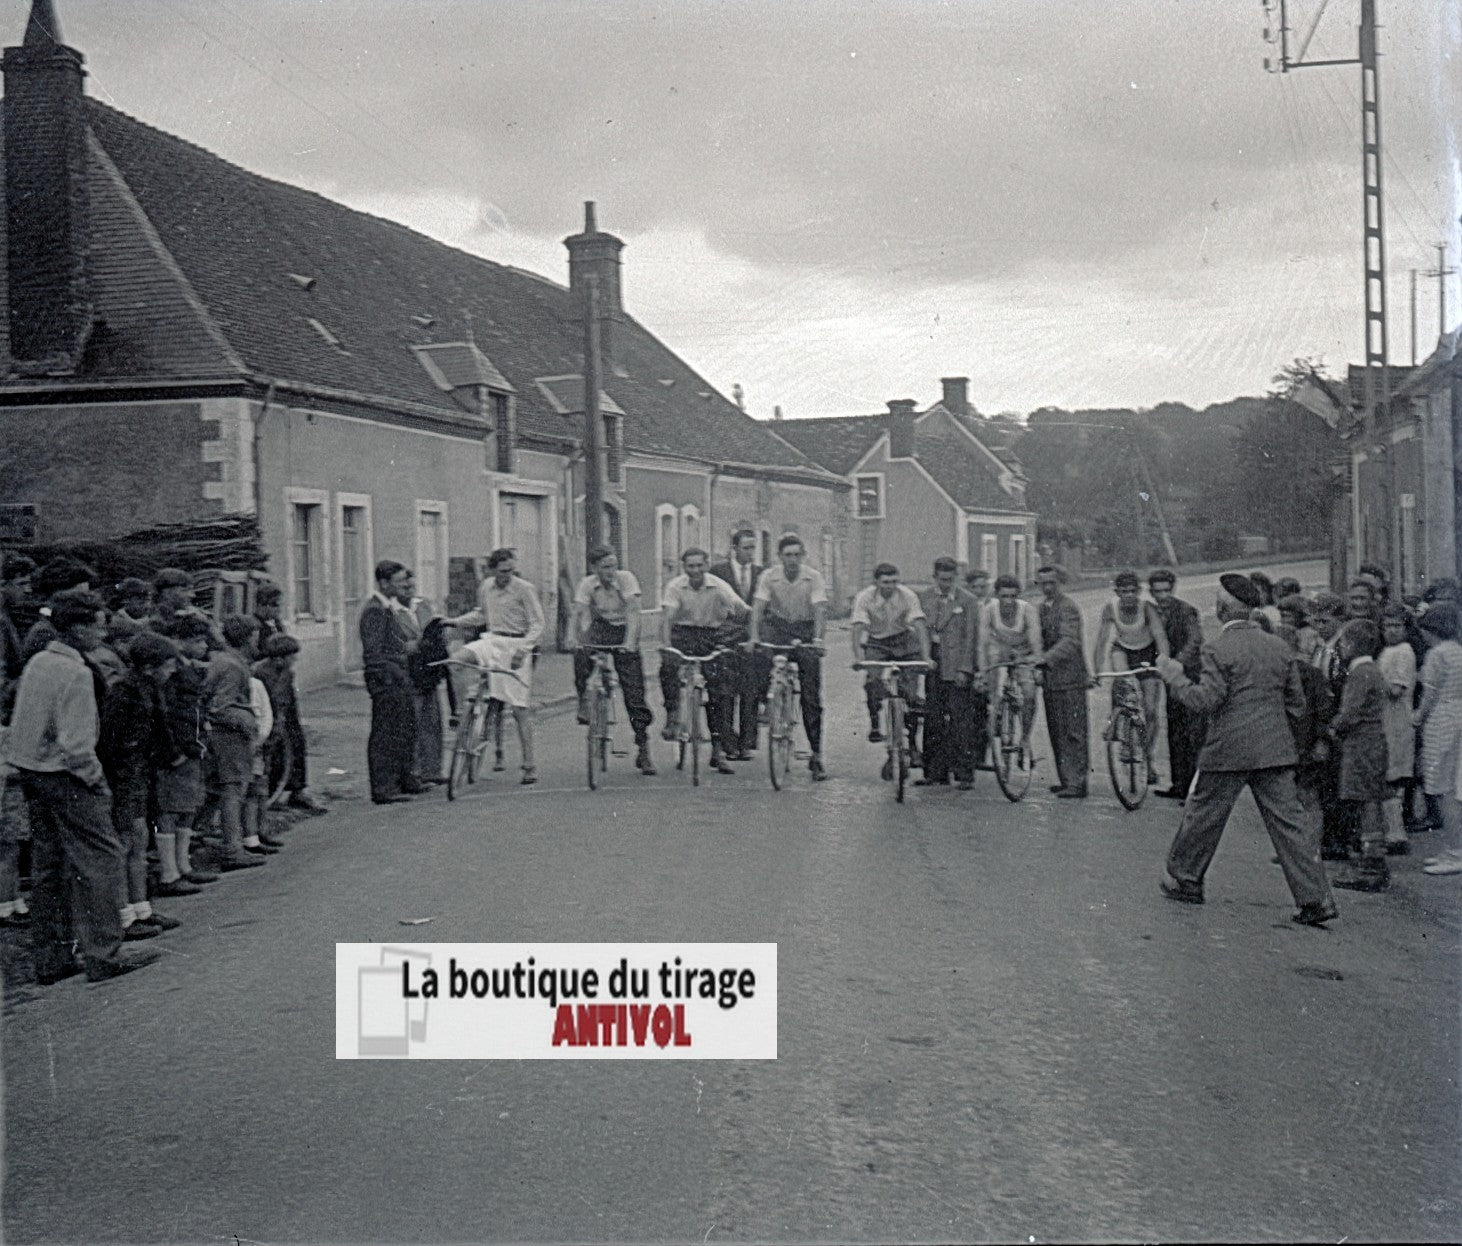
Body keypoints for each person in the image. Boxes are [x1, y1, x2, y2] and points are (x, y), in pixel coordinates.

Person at [1156, 573, 1337, 927]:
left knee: (1205, 816)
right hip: (1274, 750)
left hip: (1228, 750)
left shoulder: (1217, 649)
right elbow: (1296, 705)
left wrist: (1174, 676)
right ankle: (1316, 899)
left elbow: (1204, 700)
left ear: (1223, 609)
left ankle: (1186, 878)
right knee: (1291, 827)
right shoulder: (1279, 647)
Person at [8, 590, 160, 982]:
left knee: (50, 864)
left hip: (32, 772)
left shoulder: (39, 662)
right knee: (102, 859)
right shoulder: (75, 672)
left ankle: (51, 958)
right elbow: (76, 746)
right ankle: (104, 953)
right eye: (97, 625)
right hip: (67, 776)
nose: (103, 632)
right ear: (76, 629)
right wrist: (97, 781)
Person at [98, 630, 182, 938]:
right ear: (149, 666)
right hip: (122, 776)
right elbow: (108, 742)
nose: (172, 671)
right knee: (127, 841)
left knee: (139, 838)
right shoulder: (122, 693)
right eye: (168, 665)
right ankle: (124, 915)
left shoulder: (149, 688)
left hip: (139, 773)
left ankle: (141, 908)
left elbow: (160, 729)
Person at [447, 549, 546, 785]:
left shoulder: (524, 589)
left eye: (511, 570)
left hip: (516, 645)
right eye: (502, 571)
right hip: (491, 640)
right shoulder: (486, 587)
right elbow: (481, 615)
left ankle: (529, 765)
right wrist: (454, 621)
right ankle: (462, 712)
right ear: (492, 570)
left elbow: (537, 624)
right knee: (455, 661)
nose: (507, 575)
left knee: (520, 708)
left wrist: (524, 649)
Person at [749, 534, 830, 781]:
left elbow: (819, 611)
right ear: (780, 557)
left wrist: (817, 640)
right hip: (779, 627)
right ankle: (767, 701)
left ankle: (816, 755)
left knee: (810, 696)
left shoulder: (813, 577)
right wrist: (753, 636)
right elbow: (758, 609)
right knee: (760, 658)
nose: (793, 560)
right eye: (788, 555)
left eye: (797, 555)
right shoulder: (769, 576)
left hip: (805, 629)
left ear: (802, 555)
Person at [658, 548, 746, 776]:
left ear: (706, 565)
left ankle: (719, 751)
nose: (695, 571)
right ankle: (672, 715)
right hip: (682, 634)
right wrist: (666, 645)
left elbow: (742, 610)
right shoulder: (675, 587)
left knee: (721, 690)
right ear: (684, 568)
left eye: (699, 566)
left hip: (711, 635)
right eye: (690, 566)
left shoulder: (719, 586)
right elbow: (667, 618)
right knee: (668, 666)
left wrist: (735, 632)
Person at [571, 545, 656, 776]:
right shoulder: (587, 584)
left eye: (614, 566)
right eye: (606, 567)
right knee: (581, 657)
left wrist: (629, 643)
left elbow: (633, 612)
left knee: (633, 691)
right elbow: (579, 613)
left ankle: (643, 747)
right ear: (594, 568)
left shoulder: (626, 580)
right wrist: (576, 639)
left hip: (625, 630)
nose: (611, 571)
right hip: (600, 628)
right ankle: (584, 700)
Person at [1326, 620, 1392, 893]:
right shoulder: (1371, 670)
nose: (1339, 648)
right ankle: (1371, 858)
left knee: (1366, 802)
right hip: (1371, 743)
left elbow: (1350, 713)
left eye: (1342, 643)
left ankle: (1372, 864)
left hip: (1362, 745)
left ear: (1351, 645)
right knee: (1369, 800)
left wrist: (1332, 728)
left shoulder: (1360, 673)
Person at [154, 614, 216, 893]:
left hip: (193, 745)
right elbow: (169, 714)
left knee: (187, 806)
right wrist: (177, 749)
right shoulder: (173, 671)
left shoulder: (187, 667)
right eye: (198, 640)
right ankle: (169, 871)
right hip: (178, 748)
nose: (204, 646)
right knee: (170, 809)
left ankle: (183, 865)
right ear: (180, 641)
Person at [1091, 570, 1170, 785]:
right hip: (1123, 650)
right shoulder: (1111, 608)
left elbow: (1160, 637)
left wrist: (1164, 663)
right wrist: (1097, 671)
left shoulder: (1147, 608)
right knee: (1122, 681)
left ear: (1139, 591)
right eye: (1124, 591)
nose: (1128, 595)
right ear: (1117, 592)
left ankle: (1148, 757)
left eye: (1132, 591)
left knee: (1151, 710)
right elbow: (1101, 641)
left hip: (1147, 653)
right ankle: (1119, 728)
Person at [252, 583, 325, 813]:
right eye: (273, 605)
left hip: (285, 691)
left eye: (278, 605)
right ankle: (274, 791)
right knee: (275, 742)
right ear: (261, 605)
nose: (276, 610)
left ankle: (296, 789)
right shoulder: (256, 628)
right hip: (271, 690)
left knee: (296, 738)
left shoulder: (277, 625)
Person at [850, 564, 929, 763]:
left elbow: (919, 626)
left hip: (904, 641)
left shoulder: (908, 596)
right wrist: (859, 657)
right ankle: (875, 723)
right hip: (877, 642)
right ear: (876, 582)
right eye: (885, 582)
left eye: (894, 581)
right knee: (873, 681)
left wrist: (926, 657)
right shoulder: (865, 597)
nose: (890, 586)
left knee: (910, 695)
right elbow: (858, 627)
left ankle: (912, 744)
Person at [203, 614, 265, 869]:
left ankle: (217, 842)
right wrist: (246, 722)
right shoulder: (232, 666)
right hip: (229, 738)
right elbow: (220, 707)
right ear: (249, 637)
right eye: (255, 635)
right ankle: (232, 850)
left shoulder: (226, 660)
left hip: (225, 736)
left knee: (224, 791)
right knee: (233, 790)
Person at [360, 561, 424, 804]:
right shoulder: (375, 610)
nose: (402, 586)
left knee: (404, 729)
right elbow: (374, 653)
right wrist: (394, 668)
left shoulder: (387, 608)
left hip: (396, 676)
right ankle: (383, 788)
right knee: (385, 734)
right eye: (397, 582)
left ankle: (403, 780)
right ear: (384, 583)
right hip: (386, 679)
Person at [913, 558, 979, 788]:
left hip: (957, 665)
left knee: (960, 719)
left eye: (950, 580)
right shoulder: (925, 598)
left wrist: (965, 668)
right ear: (934, 577)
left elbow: (971, 638)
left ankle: (964, 773)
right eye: (942, 580)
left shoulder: (968, 601)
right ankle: (934, 772)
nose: (946, 584)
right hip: (934, 664)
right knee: (933, 718)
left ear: (956, 578)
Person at [1414, 603, 1462, 876]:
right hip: (1459, 716)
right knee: (1455, 786)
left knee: (1442, 788)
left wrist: (1418, 717)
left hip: (1442, 719)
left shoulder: (1436, 655)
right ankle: (1454, 847)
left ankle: (1456, 850)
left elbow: (1430, 694)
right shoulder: (1458, 651)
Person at [1034, 565, 1090, 798]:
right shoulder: (1041, 609)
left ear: (1060, 582)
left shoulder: (1068, 608)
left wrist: (1045, 659)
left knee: (1073, 731)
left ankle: (1077, 782)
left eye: (1052, 583)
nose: (1048, 588)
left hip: (1071, 679)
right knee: (1057, 731)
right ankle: (1067, 779)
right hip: (1052, 680)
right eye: (1043, 583)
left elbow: (1070, 642)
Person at [709, 530, 765, 760]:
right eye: (746, 548)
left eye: (753, 548)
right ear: (734, 548)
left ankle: (747, 742)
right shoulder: (718, 572)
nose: (750, 553)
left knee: (750, 690)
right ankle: (727, 742)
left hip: (751, 638)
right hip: (726, 635)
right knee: (726, 690)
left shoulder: (761, 574)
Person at [1148, 569, 1203, 800]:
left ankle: (1192, 789)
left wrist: (1178, 662)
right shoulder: (1151, 612)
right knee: (1174, 732)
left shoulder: (1185, 611)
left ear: (1173, 588)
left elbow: (1195, 640)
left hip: (1188, 676)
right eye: (1157, 591)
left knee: (1190, 733)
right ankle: (1178, 785)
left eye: (1166, 590)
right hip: (1169, 677)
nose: (1162, 595)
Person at [979, 573, 1042, 762]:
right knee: (991, 679)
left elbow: (1036, 641)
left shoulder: (1027, 610)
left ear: (1018, 596)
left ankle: (1024, 739)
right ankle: (996, 710)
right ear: (996, 595)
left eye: (1013, 596)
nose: (1008, 601)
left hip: (1023, 650)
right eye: (1004, 596)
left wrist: (1036, 664)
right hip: (999, 648)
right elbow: (982, 644)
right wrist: (983, 672)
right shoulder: (989, 609)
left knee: (1029, 693)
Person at [1378, 604, 1417, 856]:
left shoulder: (1404, 651)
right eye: (1387, 626)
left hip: (1397, 721)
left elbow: (1397, 689)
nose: (1391, 631)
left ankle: (1396, 833)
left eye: (1396, 626)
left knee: (1393, 775)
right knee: (1387, 774)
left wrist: (1370, 680)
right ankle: (1391, 830)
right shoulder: (1387, 651)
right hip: (1386, 721)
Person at [964, 568, 993, 766]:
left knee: (983, 707)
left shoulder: (993, 605)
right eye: (975, 587)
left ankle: (981, 754)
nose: (979, 590)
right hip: (969, 658)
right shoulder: (966, 604)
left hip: (988, 659)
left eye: (983, 586)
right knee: (968, 707)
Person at [1276, 593, 1321, 663]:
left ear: (1299, 616)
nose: (1282, 620)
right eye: (1281, 616)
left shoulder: (1308, 634)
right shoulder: (1285, 632)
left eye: (1286, 616)